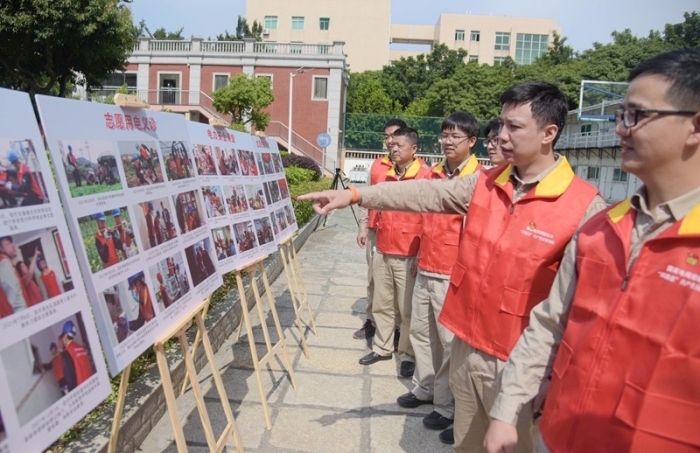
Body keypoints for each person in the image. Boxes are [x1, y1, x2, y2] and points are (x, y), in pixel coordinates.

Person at [298, 81, 607, 452]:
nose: (501, 136)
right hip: (467, 349)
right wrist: (354, 194)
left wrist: (553, 377)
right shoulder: (486, 184)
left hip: (522, 366)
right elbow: (423, 193)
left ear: (549, 133)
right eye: (501, 125)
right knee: (467, 444)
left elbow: (584, 313)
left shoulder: (584, 208)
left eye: (514, 127)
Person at [484, 49, 700, 453]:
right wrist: (507, 407)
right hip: (560, 433)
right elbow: (549, 325)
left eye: (637, 115)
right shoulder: (600, 229)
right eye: (620, 115)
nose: (621, 129)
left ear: (695, 126)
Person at [397, 111, 483, 437]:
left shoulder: (479, 180)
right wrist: (419, 255)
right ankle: (425, 387)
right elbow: (424, 219)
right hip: (427, 266)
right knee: (421, 333)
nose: (447, 141)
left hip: (453, 274)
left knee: (450, 345)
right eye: (444, 135)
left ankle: (447, 406)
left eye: (454, 136)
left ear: (472, 141)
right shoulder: (433, 174)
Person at [358, 126, 430, 379]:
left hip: (409, 252)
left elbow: (431, 219)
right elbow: (375, 206)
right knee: (382, 303)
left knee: (407, 309)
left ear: (414, 148)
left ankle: (407, 355)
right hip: (384, 247)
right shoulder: (387, 174)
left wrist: (421, 252)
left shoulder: (426, 176)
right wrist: (368, 231)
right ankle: (382, 347)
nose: (393, 147)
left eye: (400, 145)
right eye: (392, 144)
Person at [354, 118, 406, 341]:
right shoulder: (377, 165)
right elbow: (366, 197)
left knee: (397, 284)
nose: (389, 141)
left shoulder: (414, 167)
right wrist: (363, 227)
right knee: (374, 279)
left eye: (393, 136)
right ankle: (372, 321)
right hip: (376, 230)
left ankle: (396, 328)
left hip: (400, 235)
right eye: (386, 137)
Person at [60, 320, 94, 391]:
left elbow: (69, 378)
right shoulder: (82, 348)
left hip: (81, 389)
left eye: (62, 336)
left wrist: (69, 390)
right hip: (91, 384)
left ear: (65, 335)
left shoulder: (67, 352)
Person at [0, 235, 30, 315]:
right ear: (1, 249)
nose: (13, 245)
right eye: (8, 244)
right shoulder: (3, 263)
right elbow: (17, 302)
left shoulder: (6, 263)